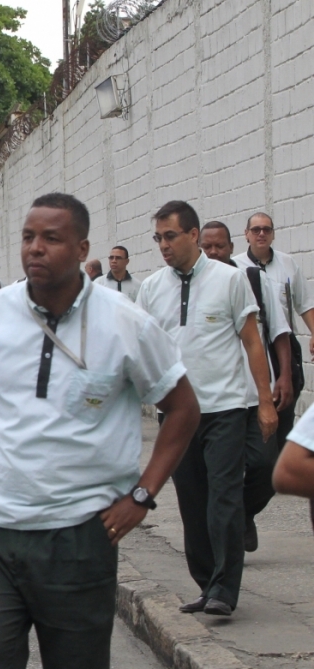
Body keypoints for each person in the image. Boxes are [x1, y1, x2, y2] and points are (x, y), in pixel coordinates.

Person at [0, 193, 200, 668]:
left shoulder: (126, 323)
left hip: (80, 536)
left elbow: (183, 409)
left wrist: (142, 496)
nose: (35, 248)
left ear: (82, 249)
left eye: (51, 238)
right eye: (28, 237)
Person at [136, 200, 276, 617]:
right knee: (192, 504)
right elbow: (142, 349)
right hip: (177, 416)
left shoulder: (229, 279)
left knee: (224, 500)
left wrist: (264, 401)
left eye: (171, 236)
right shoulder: (152, 288)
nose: (164, 245)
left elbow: (252, 342)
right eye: (158, 238)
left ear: (193, 235)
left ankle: (225, 590)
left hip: (225, 408)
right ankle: (207, 584)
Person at [200, 221, 293, 552]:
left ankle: (241, 514)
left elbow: (279, 331)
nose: (213, 252)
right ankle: (224, 539)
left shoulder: (253, 279)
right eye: (207, 247)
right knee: (219, 475)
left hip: (256, 394)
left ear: (231, 247)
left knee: (267, 467)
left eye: (219, 246)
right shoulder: (193, 286)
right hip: (217, 398)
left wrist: (283, 376)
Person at [234, 213, 313, 447]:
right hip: (252, 348)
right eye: (256, 230)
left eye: (266, 230)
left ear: (273, 234)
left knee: (284, 410)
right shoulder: (236, 267)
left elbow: (305, 304)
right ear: (246, 234)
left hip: (284, 347)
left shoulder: (288, 264)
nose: (261, 234)